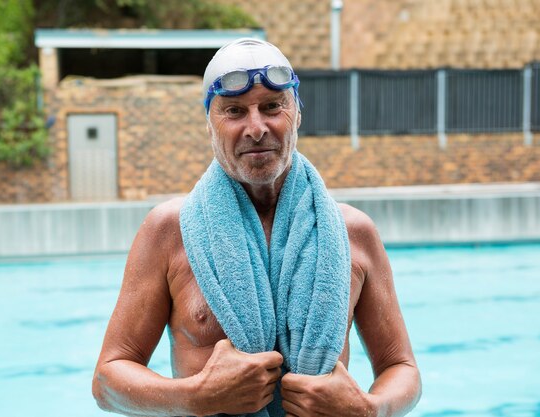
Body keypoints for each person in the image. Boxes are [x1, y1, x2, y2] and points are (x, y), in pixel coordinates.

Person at [93, 38, 421, 417]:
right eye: (234, 111)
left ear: (297, 113)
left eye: (272, 107)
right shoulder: (168, 231)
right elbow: (107, 381)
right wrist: (197, 395)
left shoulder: (353, 233)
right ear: (209, 124)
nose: (256, 127)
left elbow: (403, 369)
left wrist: (368, 408)